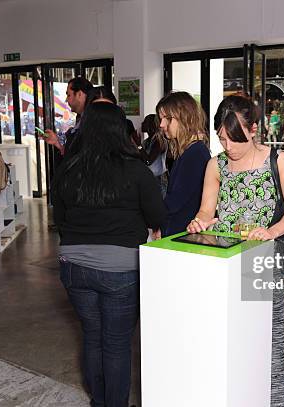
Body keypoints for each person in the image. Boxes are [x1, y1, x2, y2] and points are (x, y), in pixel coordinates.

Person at [187, 94, 284, 407]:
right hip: (223, 266)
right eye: (223, 139)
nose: (230, 147)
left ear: (254, 129)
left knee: (270, 349)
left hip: (266, 266)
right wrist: (199, 223)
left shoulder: (277, 161)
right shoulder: (216, 165)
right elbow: (205, 211)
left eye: (236, 139)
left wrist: (271, 232)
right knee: (228, 343)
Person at [52, 102, 165, 407]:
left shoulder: (68, 169)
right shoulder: (137, 171)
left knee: (92, 335)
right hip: (121, 269)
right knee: (116, 343)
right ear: (121, 132)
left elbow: (59, 219)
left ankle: (99, 401)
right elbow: (157, 216)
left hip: (73, 266)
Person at [155, 91, 210, 236]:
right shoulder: (189, 151)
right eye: (161, 119)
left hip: (184, 235)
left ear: (185, 118)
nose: (161, 124)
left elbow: (175, 202)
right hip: (180, 233)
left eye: (167, 118)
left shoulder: (195, 153)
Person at [41, 77, 93, 156]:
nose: (66, 100)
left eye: (69, 95)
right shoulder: (80, 119)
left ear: (79, 94)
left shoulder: (92, 121)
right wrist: (56, 142)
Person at [139, 113, 168, 197]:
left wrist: (138, 145)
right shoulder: (146, 141)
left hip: (158, 180)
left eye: (145, 122)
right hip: (149, 179)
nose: (142, 124)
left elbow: (148, 161)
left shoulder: (159, 141)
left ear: (151, 125)